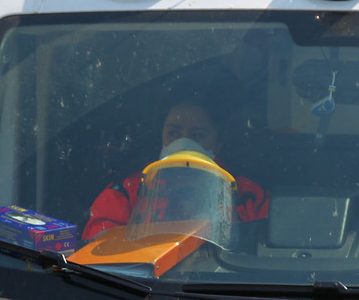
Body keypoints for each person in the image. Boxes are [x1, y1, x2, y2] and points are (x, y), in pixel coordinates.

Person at [82, 101, 268, 241]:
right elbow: (98, 248)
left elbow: (263, 250)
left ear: (218, 143)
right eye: (173, 133)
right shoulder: (128, 190)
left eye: (198, 135)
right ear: (161, 134)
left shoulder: (246, 195)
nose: (183, 143)